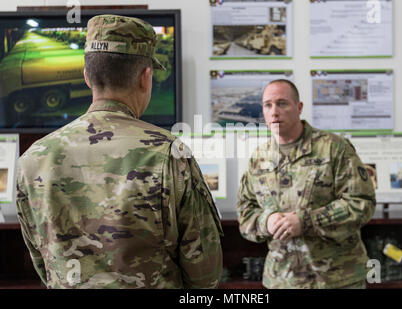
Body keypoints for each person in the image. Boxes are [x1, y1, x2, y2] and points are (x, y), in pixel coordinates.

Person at [15, 15, 223, 289]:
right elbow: (205, 273)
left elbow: (43, 262)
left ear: (87, 76)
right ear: (146, 78)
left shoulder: (33, 159)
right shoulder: (169, 154)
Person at [237, 79, 376, 289]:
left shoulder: (334, 148)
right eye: (268, 105)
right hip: (281, 279)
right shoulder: (259, 158)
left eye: (282, 103)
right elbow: (245, 211)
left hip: (336, 279)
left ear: (299, 107)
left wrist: (307, 221)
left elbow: (361, 203)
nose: (274, 112)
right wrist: (267, 221)